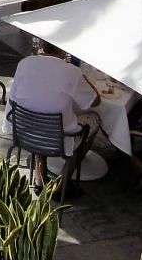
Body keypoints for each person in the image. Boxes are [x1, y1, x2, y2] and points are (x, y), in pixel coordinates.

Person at [8, 42, 99, 184]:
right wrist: (83, 78)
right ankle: (63, 183)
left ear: (42, 46)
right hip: (57, 137)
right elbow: (94, 101)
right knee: (94, 119)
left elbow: (14, 96)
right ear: (63, 49)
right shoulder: (72, 71)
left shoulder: (24, 63)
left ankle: (40, 180)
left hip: (24, 130)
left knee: (40, 113)